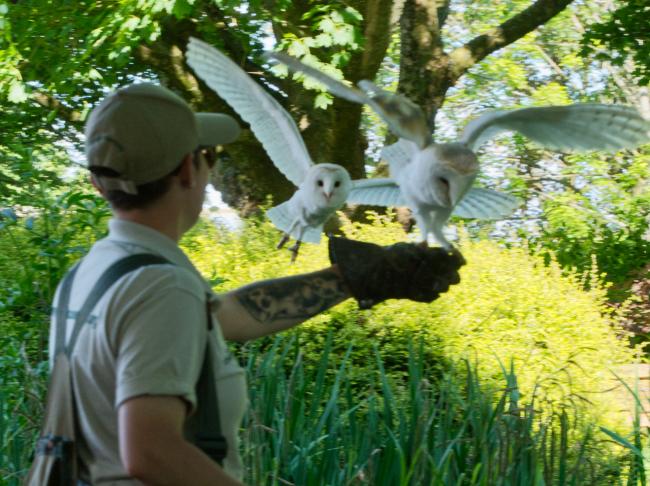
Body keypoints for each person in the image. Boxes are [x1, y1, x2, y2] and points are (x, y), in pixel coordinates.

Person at [51, 82, 464, 485]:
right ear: (185, 170)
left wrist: (351, 277)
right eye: (208, 156)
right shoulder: (161, 287)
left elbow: (227, 316)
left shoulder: (94, 274)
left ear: (97, 183)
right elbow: (150, 451)